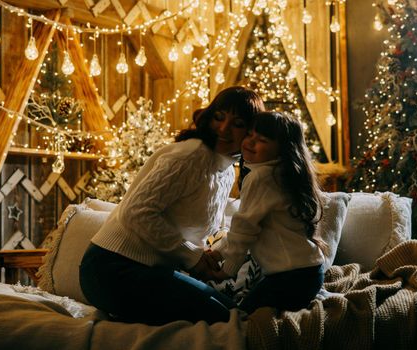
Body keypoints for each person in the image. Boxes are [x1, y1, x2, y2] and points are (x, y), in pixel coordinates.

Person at [79, 86, 265, 325]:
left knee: (232, 312)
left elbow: (196, 230)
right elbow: (137, 213)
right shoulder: (191, 156)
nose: (223, 129)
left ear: (250, 131)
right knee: (229, 319)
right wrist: (192, 256)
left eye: (237, 123)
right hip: (111, 269)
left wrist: (207, 257)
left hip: (152, 269)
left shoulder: (227, 170)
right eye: (219, 117)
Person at [209, 111, 328, 315]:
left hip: (291, 277)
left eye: (262, 139)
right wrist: (217, 252)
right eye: (250, 135)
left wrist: (228, 270)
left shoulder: (262, 177)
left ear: (283, 150)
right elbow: (242, 229)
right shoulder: (283, 174)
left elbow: (243, 230)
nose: (250, 142)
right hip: (310, 271)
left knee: (240, 318)